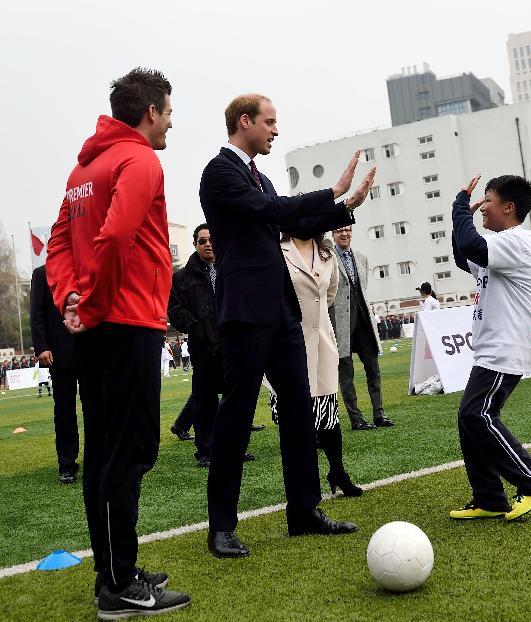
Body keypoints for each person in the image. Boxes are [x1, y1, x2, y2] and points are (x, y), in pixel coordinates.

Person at [45, 67, 189, 616]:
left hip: (97, 324)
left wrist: (69, 301)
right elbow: (117, 235)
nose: (172, 122)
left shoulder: (83, 169)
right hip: (125, 323)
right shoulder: (139, 159)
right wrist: (93, 304)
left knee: (106, 453)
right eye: (169, 112)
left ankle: (113, 574)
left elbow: (58, 245)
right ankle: (120, 586)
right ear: (150, 112)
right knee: (127, 454)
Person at [200, 94, 370, 558]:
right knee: (236, 415)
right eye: (270, 122)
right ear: (244, 122)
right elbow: (272, 213)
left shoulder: (260, 177)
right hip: (245, 312)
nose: (276, 131)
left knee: (299, 409)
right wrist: (332, 192)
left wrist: (345, 206)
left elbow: (288, 221)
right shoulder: (220, 173)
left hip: (280, 310)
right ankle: (221, 527)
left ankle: (304, 511)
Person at [448, 174, 531, 522]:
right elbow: (464, 255)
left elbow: (473, 245)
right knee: (469, 420)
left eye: (489, 201)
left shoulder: (517, 240)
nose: (483, 207)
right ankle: (490, 498)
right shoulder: (499, 245)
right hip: (492, 348)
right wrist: (460, 218)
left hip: (506, 346)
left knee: (476, 415)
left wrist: (460, 207)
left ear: (509, 208)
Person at [280, 228, 363, 497]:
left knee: (328, 413)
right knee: (296, 418)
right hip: (289, 341)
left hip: (323, 339)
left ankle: (337, 471)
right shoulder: (278, 250)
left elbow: (330, 295)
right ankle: (304, 484)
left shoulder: (327, 254)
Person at [167, 224, 259, 467]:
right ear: (195, 244)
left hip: (234, 345)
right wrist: (196, 327)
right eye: (202, 240)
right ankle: (206, 451)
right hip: (203, 347)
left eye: (211, 239)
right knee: (205, 403)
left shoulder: (231, 269)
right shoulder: (182, 277)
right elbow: (174, 310)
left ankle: (236, 448)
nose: (208, 244)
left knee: (236, 402)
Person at [330, 225, 394, 431]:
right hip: (340, 322)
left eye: (347, 229)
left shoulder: (362, 257)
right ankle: (356, 418)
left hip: (365, 321)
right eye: (339, 230)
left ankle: (379, 414)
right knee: (346, 374)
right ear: (333, 234)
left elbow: (362, 289)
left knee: (373, 370)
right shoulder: (328, 258)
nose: (344, 233)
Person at [30, 265, 78, 484]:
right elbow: (37, 314)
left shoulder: (87, 265)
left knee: (97, 407)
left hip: (90, 349)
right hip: (59, 353)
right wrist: (41, 347)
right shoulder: (42, 274)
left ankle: (101, 459)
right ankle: (67, 464)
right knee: (64, 410)